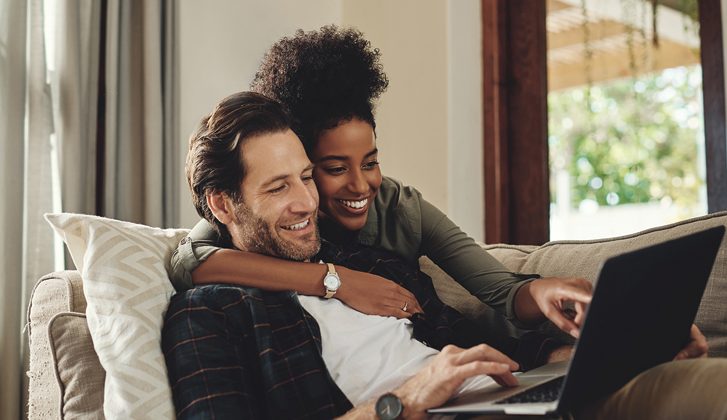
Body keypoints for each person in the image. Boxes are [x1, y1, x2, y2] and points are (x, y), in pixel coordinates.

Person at [163, 91, 727, 420]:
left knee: (710, 385)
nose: (308, 201)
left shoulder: (374, 263)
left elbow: (502, 342)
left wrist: (625, 345)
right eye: (278, 187)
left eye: (307, 177)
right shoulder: (210, 314)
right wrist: (404, 401)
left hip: (512, 403)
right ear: (222, 202)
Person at [169, 25, 592, 341]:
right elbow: (191, 261)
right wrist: (339, 281)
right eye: (333, 169)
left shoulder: (399, 208)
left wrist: (543, 289)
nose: (361, 185)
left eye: (370, 162)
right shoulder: (268, 216)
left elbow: (500, 290)